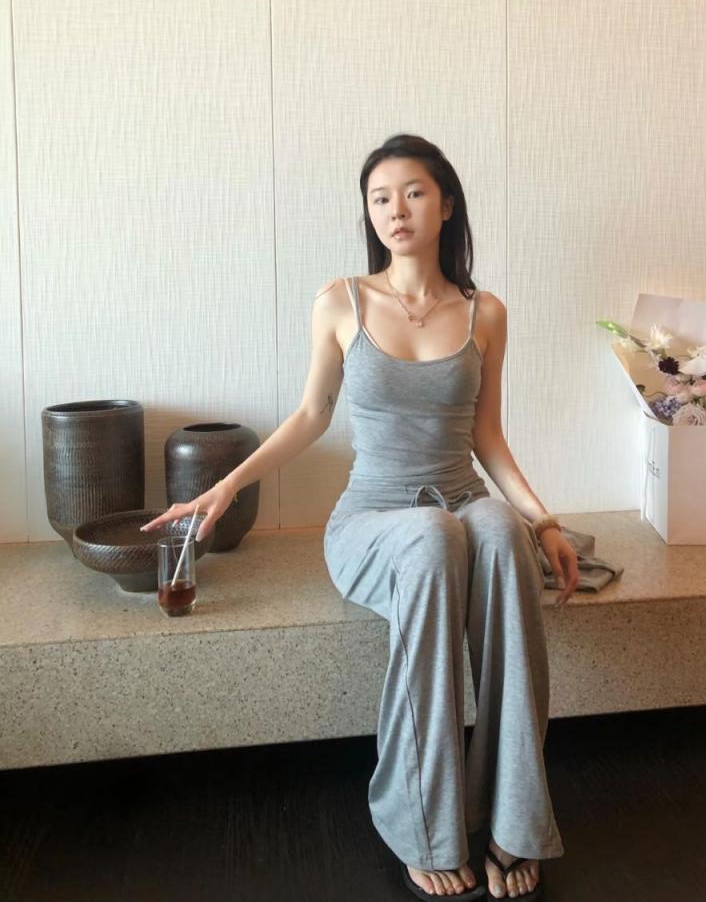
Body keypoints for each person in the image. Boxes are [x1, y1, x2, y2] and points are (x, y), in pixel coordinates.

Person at [142, 134, 581, 901]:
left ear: (446, 204)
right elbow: (311, 415)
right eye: (380, 198)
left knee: (500, 533)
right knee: (435, 536)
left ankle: (514, 821)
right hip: (376, 521)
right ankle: (422, 824)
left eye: (412, 192)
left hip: (461, 503)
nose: (395, 210)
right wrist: (227, 486)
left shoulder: (485, 312)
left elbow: (488, 438)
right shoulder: (342, 302)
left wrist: (543, 522)